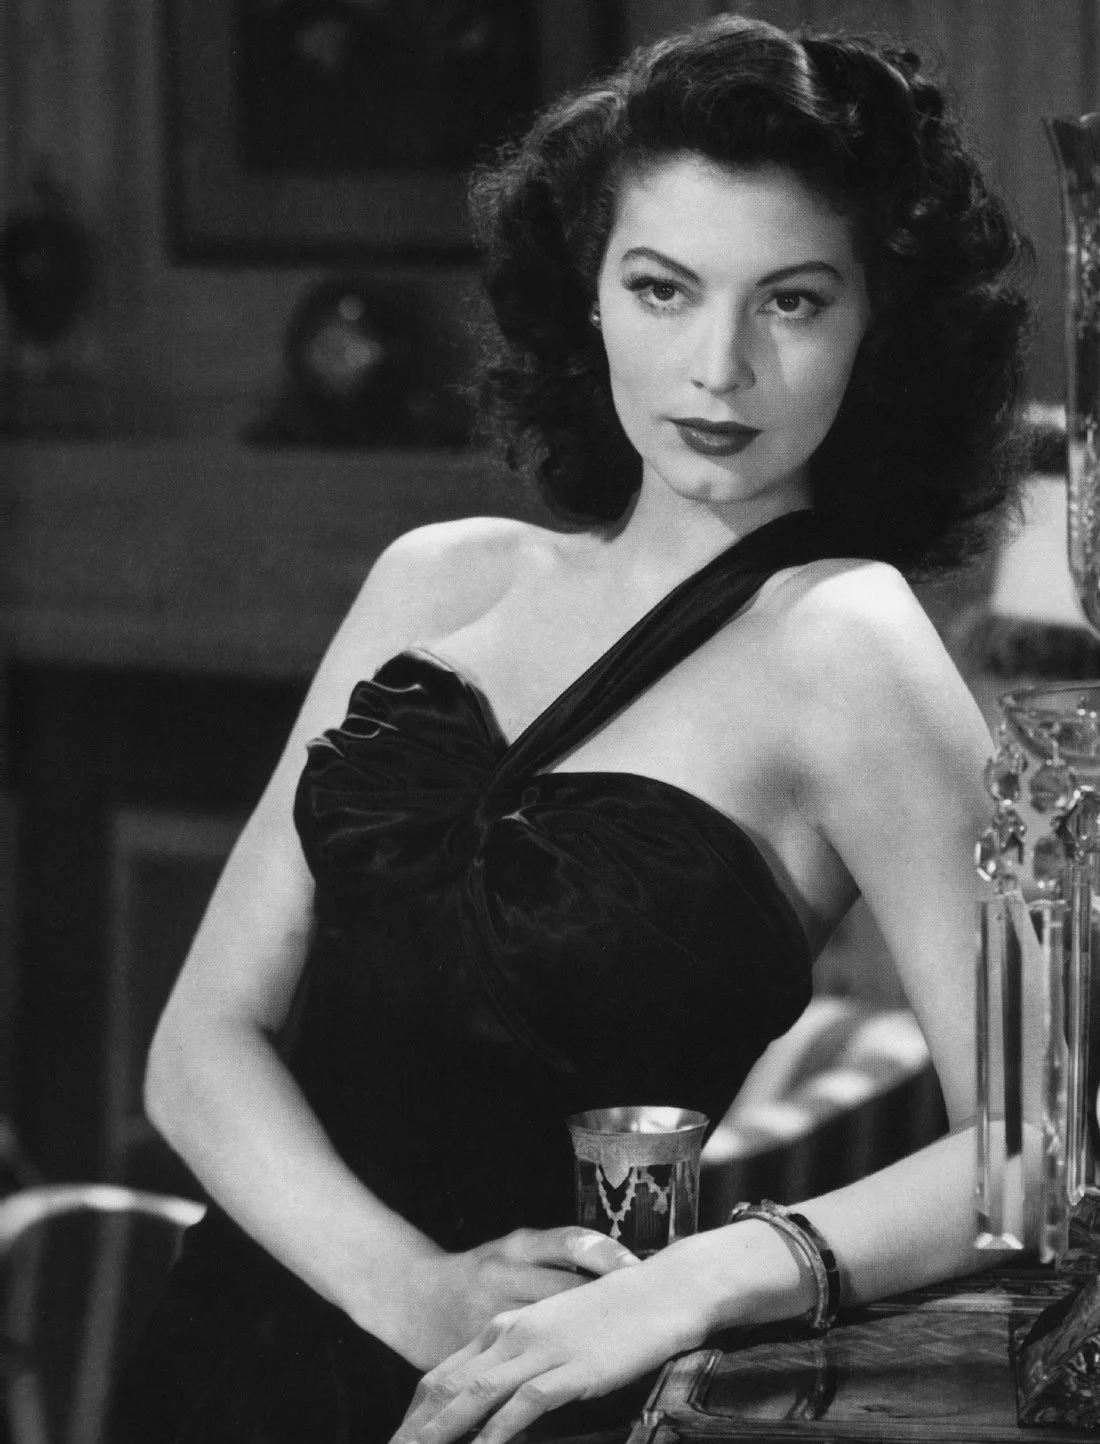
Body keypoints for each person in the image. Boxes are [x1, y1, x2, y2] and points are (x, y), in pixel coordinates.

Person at [110, 13, 1033, 1443]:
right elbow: (198, 1046)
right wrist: (413, 1292)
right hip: (227, 1357)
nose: (718, 367)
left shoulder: (846, 642)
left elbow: (1040, 1145)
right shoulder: (435, 578)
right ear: (590, 293)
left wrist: (708, 1279)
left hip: (537, 1392)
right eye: (663, 289)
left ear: (878, 325)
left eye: (792, 303)